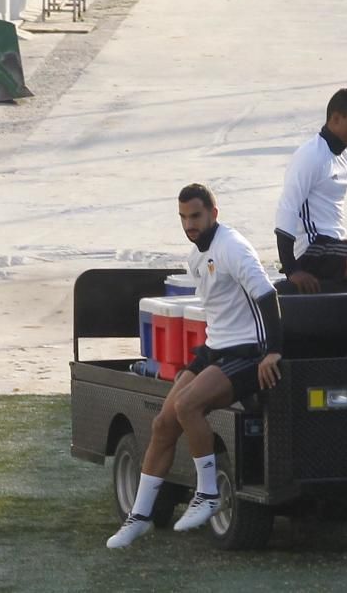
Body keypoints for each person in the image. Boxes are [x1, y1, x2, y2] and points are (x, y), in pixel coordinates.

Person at [107, 183, 284, 548]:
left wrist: (273, 352)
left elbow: (267, 295)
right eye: (184, 217)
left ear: (213, 214)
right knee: (163, 423)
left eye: (196, 216)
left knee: (189, 406)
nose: (190, 224)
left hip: (247, 353)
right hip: (215, 349)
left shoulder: (233, 248)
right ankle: (139, 515)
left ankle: (207, 495)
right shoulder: (195, 257)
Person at [274, 88, 347, 293]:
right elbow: (286, 209)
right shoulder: (310, 156)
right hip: (312, 249)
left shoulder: (346, 158)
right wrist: (291, 269)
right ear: (336, 118)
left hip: (333, 245)